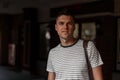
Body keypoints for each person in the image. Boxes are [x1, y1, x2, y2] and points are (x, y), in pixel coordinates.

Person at [46, 10, 103, 80]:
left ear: (74, 27)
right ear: (56, 27)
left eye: (69, 23)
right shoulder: (52, 53)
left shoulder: (88, 47)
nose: (65, 27)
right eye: (61, 23)